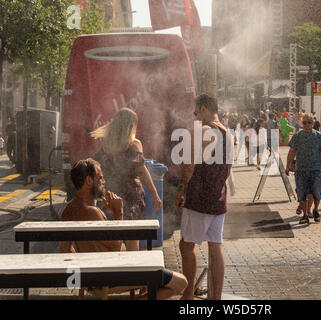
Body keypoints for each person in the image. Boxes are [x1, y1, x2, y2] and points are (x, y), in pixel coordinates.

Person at [60, 159, 187, 299]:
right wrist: (118, 213)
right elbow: (115, 246)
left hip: (95, 276)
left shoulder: (69, 209)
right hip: (113, 275)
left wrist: (83, 270)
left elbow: (65, 249)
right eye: (100, 178)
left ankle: (146, 283)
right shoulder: (92, 212)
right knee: (181, 282)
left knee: (136, 240)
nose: (104, 182)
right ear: (89, 181)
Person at [175, 94, 232, 300]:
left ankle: (188, 295)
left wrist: (181, 191)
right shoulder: (228, 133)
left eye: (196, 113)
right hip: (218, 197)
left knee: (186, 245)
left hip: (199, 197)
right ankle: (215, 298)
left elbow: (189, 165)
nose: (195, 117)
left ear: (204, 109)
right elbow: (228, 169)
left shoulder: (206, 131)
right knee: (215, 246)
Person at [91, 108, 162, 251]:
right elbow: (141, 170)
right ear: (131, 126)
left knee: (113, 234)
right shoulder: (134, 144)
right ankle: (131, 268)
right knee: (132, 235)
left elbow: (95, 166)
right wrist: (155, 194)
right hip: (131, 196)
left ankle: (115, 267)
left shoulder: (105, 144)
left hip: (111, 194)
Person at [286, 113, 321, 224]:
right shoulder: (297, 135)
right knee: (301, 193)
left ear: (313, 123)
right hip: (301, 169)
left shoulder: (318, 135)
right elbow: (292, 151)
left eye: (309, 122)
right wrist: (288, 165)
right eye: (304, 122)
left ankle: (316, 210)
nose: (307, 124)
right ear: (301, 123)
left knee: (317, 191)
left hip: (316, 168)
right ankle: (305, 215)